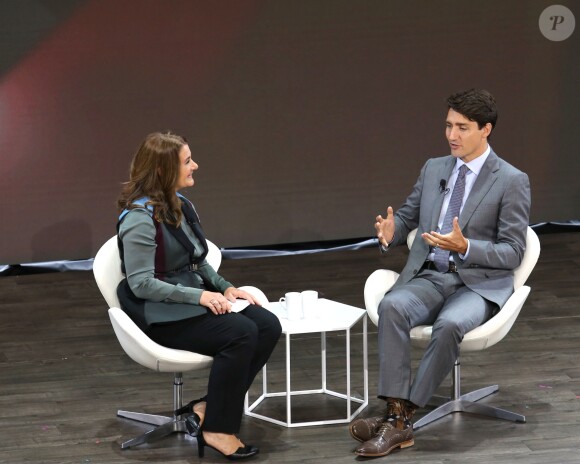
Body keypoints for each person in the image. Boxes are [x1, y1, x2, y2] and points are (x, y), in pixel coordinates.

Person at [350, 89, 531, 457]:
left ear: (486, 129)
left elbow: (514, 251)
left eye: (462, 128)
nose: (452, 135)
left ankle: (400, 419)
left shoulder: (511, 179)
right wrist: (391, 231)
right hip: (433, 275)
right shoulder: (434, 168)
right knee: (393, 307)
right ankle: (397, 415)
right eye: (448, 125)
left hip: (477, 285)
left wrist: (465, 247)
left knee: (449, 325)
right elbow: (407, 215)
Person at [116, 131, 282, 460]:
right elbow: (141, 285)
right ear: (162, 171)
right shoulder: (139, 219)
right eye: (187, 161)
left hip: (187, 300)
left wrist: (224, 287)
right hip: (159, 314)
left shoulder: (179, 204)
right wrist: (201, 298)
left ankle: (207, 408)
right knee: (241, 334)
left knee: (266, 324)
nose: (195, 166)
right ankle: (218, 429)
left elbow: (197, 260)